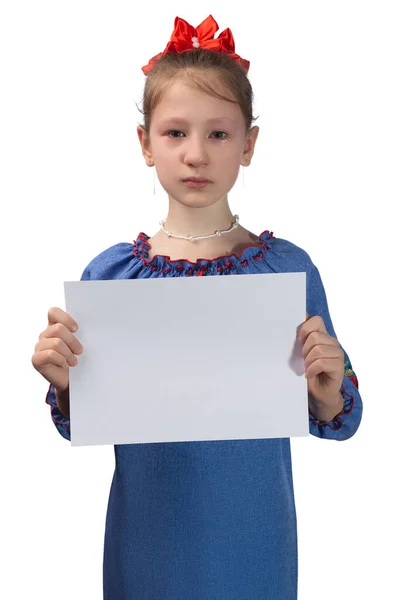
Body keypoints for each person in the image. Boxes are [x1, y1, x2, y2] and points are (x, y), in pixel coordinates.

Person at [31, 14, 363, 600]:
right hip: (149, 539)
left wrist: (327, 385)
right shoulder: (110, 277)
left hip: (254, 539)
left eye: (218, 134)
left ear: (249, 144)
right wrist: (62, 384)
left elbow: (340, 417)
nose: (195, 155)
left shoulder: (285, 270)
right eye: (175, 132)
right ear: (145, 143)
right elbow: (80, 421)